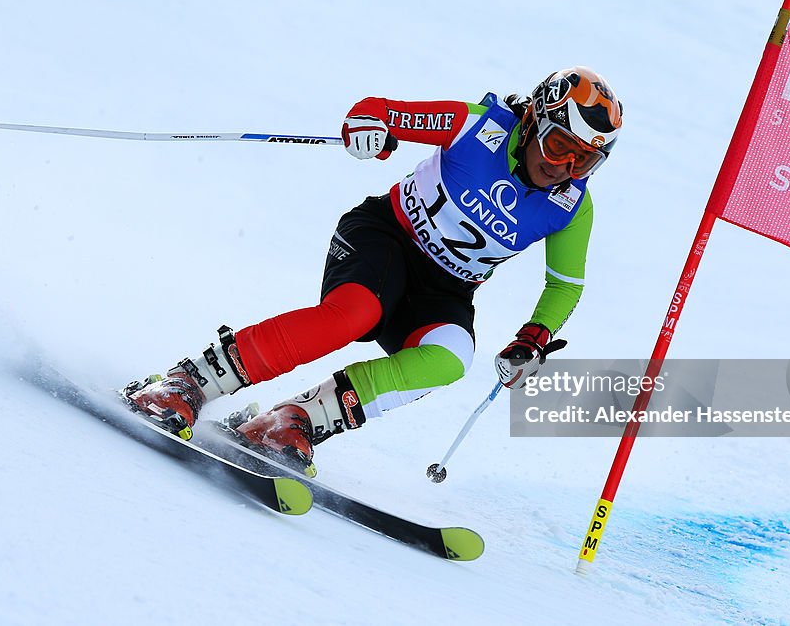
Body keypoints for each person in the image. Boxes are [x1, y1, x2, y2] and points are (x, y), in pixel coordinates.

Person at [124, 66, 623, 473]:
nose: (564, 168)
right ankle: (188, 383)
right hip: (385, 237)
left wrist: (533, 337)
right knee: (355, 314)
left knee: (453, 355)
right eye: (559, 147)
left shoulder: (571, 206)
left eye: (584, 162)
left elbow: (564, 286)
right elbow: (382, 114)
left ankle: (294, 419)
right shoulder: (479, 126)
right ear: (535, 118)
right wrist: (371, 132)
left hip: (442, 289)